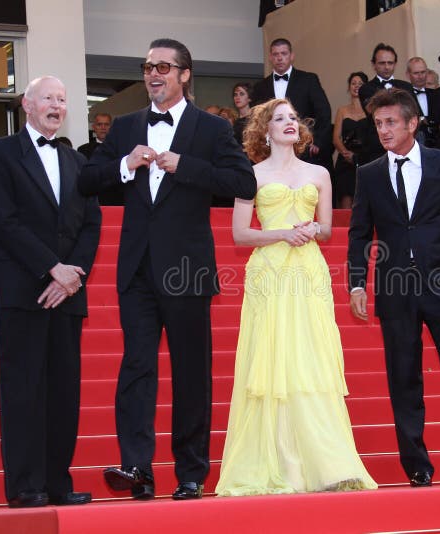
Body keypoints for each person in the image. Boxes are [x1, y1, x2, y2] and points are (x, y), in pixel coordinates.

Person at [79, 38, 256, 501]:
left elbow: (243, 181)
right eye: (147, 66)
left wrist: (186, 166)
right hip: (136, 268)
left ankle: (191, 473)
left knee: (191, 372)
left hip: (187, 268)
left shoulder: (211, 130)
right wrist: (123, 164)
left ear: (184, 74)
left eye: (163, 66)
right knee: (136, 368)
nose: (153, 73)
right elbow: (86, 180)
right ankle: (138, 468)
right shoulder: (124, 126)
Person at [216, 98, 377, 496]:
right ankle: (277, 462)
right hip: (269, 273)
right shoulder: (247, 173)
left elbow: (327, 229)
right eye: (279, 118)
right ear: (264, 130)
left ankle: (328, 463)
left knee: (310, 357)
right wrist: (283, 233)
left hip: (307, 270)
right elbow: (240, 234)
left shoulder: (320, 173)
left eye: (293, 118)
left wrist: (310, 229)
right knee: (272, 360)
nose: (289, 123)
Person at [348, 88, 440, 488]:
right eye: (378, 123)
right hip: (395, 288)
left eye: (391, 122)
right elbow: (359, 233)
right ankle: (416, 464)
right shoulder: (370, 173)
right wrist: (357, 282)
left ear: (412, 123)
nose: (384, 130)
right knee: (403, 378)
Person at [0, 75, 101, 508]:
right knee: (24, 388)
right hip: (24, 289)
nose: (57, 104)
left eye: (63, 99)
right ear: (26, 105)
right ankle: (25, 485)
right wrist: (51, 268)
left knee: (63, 391)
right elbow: (5, 221)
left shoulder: (76, 160)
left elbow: (92, 222)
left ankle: (56, 483)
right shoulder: (0, 153)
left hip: (69, 292)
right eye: (48, 98)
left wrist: (74, 274)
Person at [251, 38, 332, 171]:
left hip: (303, 148)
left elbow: (324, 111)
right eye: (276, 54)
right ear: (270, 57)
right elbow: (257, 119)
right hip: (271, 150)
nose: (280, 58)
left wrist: (317, 141)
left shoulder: (308, 80)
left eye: (284, 53)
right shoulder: (260, 87)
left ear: (291, 56)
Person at [332, 72, 368, 209]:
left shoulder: (370, 110)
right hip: (345, 160)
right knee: (345, 199)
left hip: (365, 158)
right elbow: (336, 137)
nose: (356, 86)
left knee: (363, 200)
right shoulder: (342, 110)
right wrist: (346, 153)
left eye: (360, 84)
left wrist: (358, 157)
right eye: (353, 83)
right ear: (349, 87)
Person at [406, 57, 440, 148]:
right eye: (416, 73)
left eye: (423, 72)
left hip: (438, 143)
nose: (420, 76)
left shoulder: (436, 93)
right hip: (415, 144)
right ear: (408, 75)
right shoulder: (405, 96)